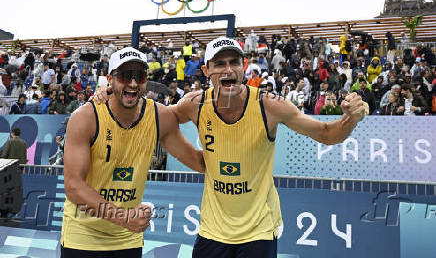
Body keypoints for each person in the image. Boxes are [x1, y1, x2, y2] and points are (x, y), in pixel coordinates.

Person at [94, 37, 365, 258]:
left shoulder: (269, 105)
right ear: (206, 71)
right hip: (212, 232)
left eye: (234, 62)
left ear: (244, 66)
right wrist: (109, 93)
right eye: (219, 63)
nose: (228, 69)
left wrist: (350, 118)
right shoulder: (196, 103)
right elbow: (157, 119)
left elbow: (328, 135)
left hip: (258, 231)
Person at [61, 47, 205, 258]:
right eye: (125, 76)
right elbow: (74, 186)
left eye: (140, 75)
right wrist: (123, 217)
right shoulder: (86, 117)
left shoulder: (158, 116)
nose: (134, 83)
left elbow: (198, 162)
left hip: (127, 236)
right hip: (83, 235)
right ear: (110, 79)